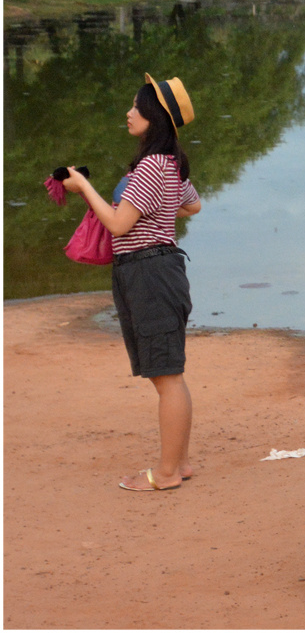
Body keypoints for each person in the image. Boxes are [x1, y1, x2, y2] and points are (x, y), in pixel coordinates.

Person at [63, 74, 201, 493]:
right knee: (168, 373)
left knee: (166, 375)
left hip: (149, 273)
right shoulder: (169, 163)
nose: (129, 113)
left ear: (154, 117)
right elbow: (192, 204)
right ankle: (179, 462)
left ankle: (167, 474)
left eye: (137, 107)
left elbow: (120, 223)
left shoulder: (151, 166)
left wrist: (83, 185)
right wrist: (159, 214)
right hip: (156, 269)